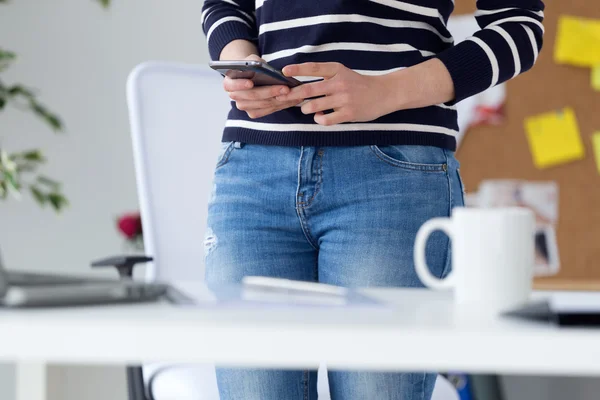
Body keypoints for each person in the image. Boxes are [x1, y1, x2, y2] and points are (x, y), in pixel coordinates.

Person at [201, 0, 545, 399]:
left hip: (392, 177)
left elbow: (518, 27)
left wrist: (388, 90)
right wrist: (240, 63)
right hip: (252, 173)